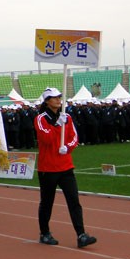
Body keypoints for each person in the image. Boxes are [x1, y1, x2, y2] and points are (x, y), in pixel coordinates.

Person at [34, 87, 97, 248]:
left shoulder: (67, 117)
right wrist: (57, 125)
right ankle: (44, 233)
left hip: (66, 167)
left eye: (59, 97)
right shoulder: (41, 119)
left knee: (74, 201)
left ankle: (81, 235)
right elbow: (46, 138)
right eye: (54, 97)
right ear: (47, 101)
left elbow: (74, 137)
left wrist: (67, 147)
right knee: (47, 203)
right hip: (48, 168)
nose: (58, 100)